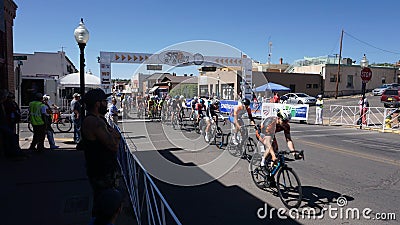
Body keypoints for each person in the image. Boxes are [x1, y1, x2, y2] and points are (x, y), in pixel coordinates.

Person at [77, 88, 122, 217]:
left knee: (102, 204)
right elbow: (113, 145)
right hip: (102, 172)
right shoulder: (94, 122)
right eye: (104, 101)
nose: (106, 104)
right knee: (106, 208)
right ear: (98, 104)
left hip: (100, 169)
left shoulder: (97, 119)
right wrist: (117, 138)